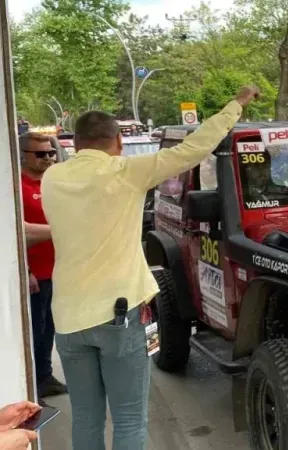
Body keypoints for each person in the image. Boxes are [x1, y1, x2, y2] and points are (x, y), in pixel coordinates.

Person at [41, 85, 260, 449]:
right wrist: (235, 105)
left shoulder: (52, 178)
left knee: (86, 417)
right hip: (117, 315)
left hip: (67, 318)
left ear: (76, 144)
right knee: (128, 418)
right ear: (118, 142)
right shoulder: (126, 171)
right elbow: (194, 148)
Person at [19, 132, 68, 400]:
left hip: (57, 272)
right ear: (23, 156)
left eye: (51, 153)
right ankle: (31, 385)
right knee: (34, 332)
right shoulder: (15, 188)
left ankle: (45, 377)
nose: (48, 158)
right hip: (34, 275)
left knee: (49, 328)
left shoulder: (54, 185)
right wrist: (25, 271)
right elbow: (15, 233)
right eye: (41, 154)